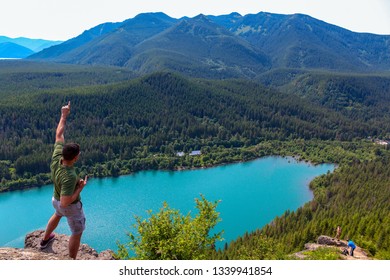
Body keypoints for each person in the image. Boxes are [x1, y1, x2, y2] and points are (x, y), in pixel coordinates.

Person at [40, 101, 88, 259]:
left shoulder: (57, 156)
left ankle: (45, 240)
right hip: (69, 205)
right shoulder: (69, 176)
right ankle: (72, 261)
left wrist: (63, 115)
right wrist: (79, 188)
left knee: (58, 213)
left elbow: (59, 134)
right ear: (75, 158)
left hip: (56, 198)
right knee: (77, 231)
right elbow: (66, 202)